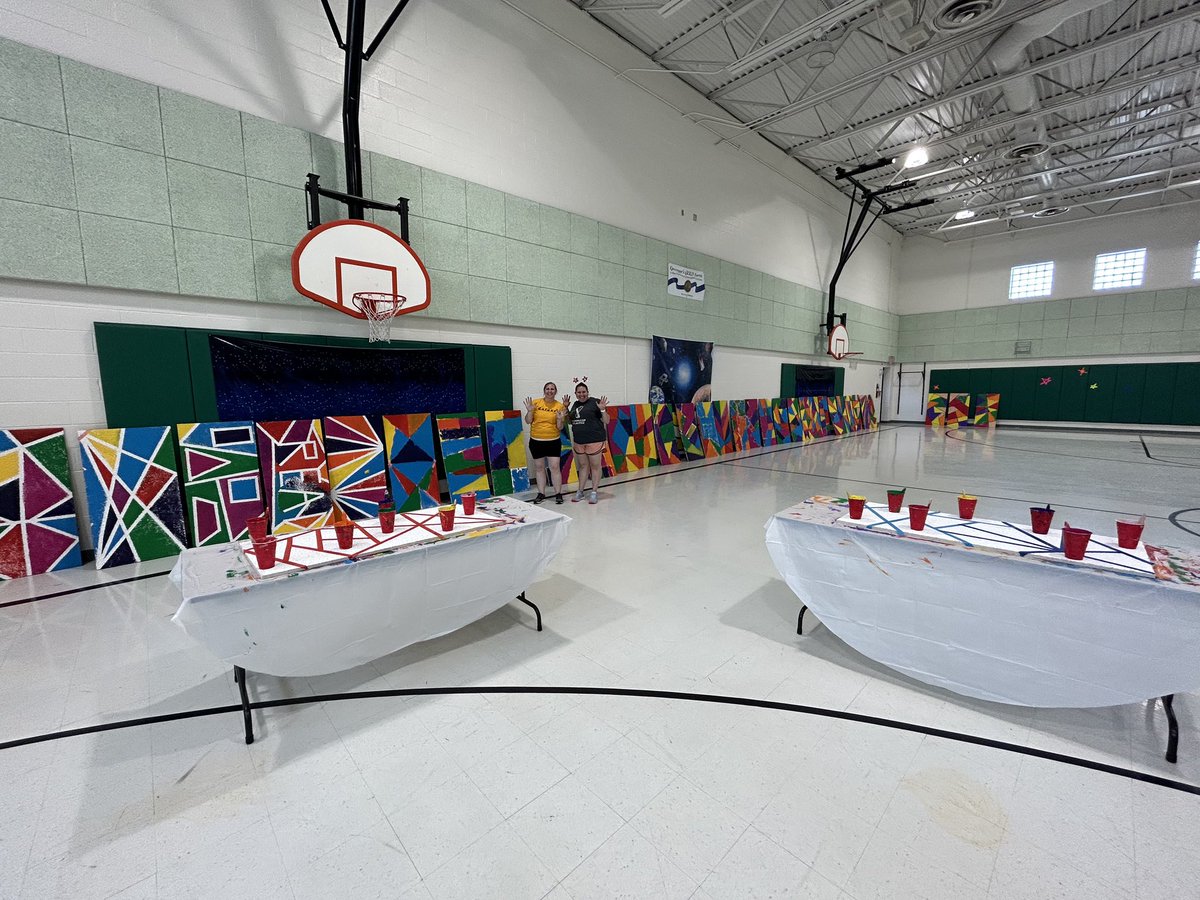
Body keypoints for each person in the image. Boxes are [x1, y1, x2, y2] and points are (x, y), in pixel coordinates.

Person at [523, 382, 567, 504]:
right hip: (536, 441)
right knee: (539, 467)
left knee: (554, 467)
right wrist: (530, 411)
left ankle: (558, 493)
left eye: (552, 389)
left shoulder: (560, 406)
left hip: (553, 441)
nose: (550, 391)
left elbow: (560, 427)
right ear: (544, 390)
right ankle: (541, 493)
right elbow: (527, 421)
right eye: (547, 389)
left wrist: (559, 419)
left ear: (555, 391)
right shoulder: (536, 403)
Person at [567, 382, 609, 504]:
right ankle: (580, 491)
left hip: (594, 440)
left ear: (587, 392)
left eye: (584, 392)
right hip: (579, 441)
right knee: (583, 466)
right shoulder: (575, 404)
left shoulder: (595, 402)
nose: (581, 394)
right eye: (579, 392)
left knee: (595, 467)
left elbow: (607, 420)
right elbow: (571, 421)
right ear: (575, 393)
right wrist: (565, 409)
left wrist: (603, 410)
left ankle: (594, 492)